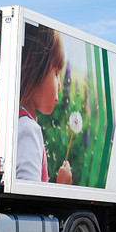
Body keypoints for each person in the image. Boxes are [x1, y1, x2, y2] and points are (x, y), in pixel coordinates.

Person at [16, 23, 72, 184]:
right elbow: (29, 191)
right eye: (56, 73)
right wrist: (63, 187)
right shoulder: (29, 129)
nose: (60, 86)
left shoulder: (19, 122)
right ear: (36, 69)